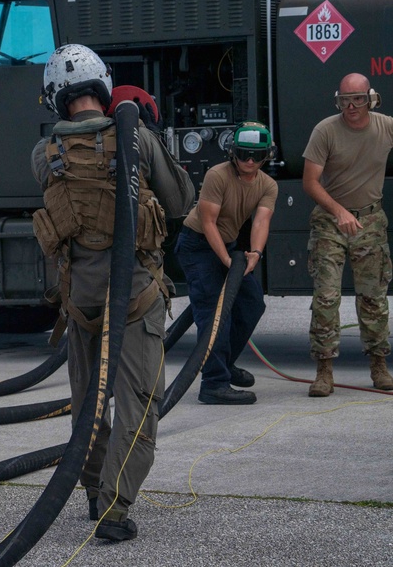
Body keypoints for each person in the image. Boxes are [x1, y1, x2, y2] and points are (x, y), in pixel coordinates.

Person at [31, 44, 194, 541]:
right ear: (102, 84)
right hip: (136, 298)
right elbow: (182, 199)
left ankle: (91, 492)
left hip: (79, 301)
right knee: (139, 404)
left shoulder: (44, 154)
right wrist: (143, 127)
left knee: (87, 406)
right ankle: (115, 510)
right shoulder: (136, 139)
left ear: (55, 97)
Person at [302, 73, 393, 397]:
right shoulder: (325, 131)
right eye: (344, 100)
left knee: (373, 299)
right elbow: (310, 181)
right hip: (330, 223)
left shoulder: (385, 126)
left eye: (357, 99)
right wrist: (339, 212)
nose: (351, 106)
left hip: (370, 223)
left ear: (370, 98)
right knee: (326, 298)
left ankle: (379, 367)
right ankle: (324, 371)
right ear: (337, 100)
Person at [175, 122, 278, 405]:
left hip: (230, 247)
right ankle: (214, 384)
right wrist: (226, 261)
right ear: (233, 152)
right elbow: (208, 222)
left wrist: (255, 253)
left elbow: (261, 220)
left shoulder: (268, 185)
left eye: (257, 156)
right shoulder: (217, 175)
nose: (249, 161)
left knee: (252, 303)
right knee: (215, 312)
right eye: (244, 153)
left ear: (266, 156)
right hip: (198, 245)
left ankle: (222, 362)